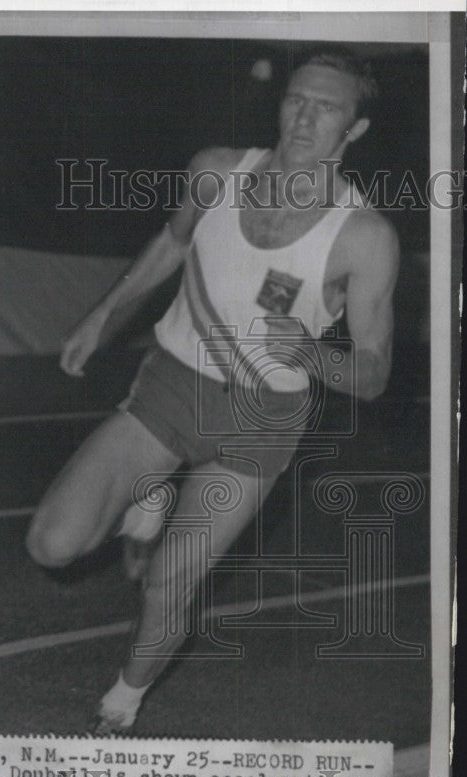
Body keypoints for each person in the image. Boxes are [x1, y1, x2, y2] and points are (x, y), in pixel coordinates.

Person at [26, 47, 399, 734]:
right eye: (296, 100)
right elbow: (170, 245)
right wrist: (102, 317)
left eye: (327, 108)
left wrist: (318, 355)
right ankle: (144, 499)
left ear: (355, 130)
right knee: (51, 544)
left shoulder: (365, 239)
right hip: (167, 387)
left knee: (170, 582)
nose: (304, 118)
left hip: (259, 423)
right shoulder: (217, 172)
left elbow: (372, 376)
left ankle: (123, 700)